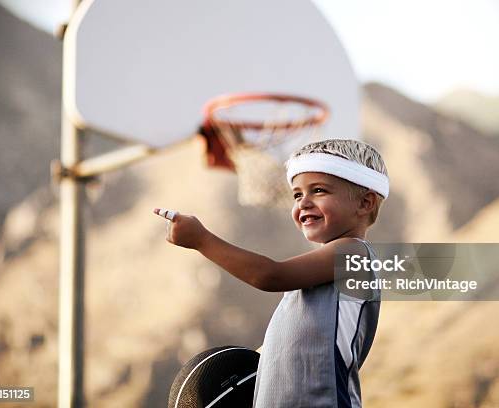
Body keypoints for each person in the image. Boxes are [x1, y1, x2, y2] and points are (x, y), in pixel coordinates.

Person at [154, 139, 390, 407]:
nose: (304, 202)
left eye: (319, 190)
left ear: (365, 203)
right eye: (297, 194)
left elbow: (269, 275)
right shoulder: (316, 278)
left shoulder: (354, 253)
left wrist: (202, 240)